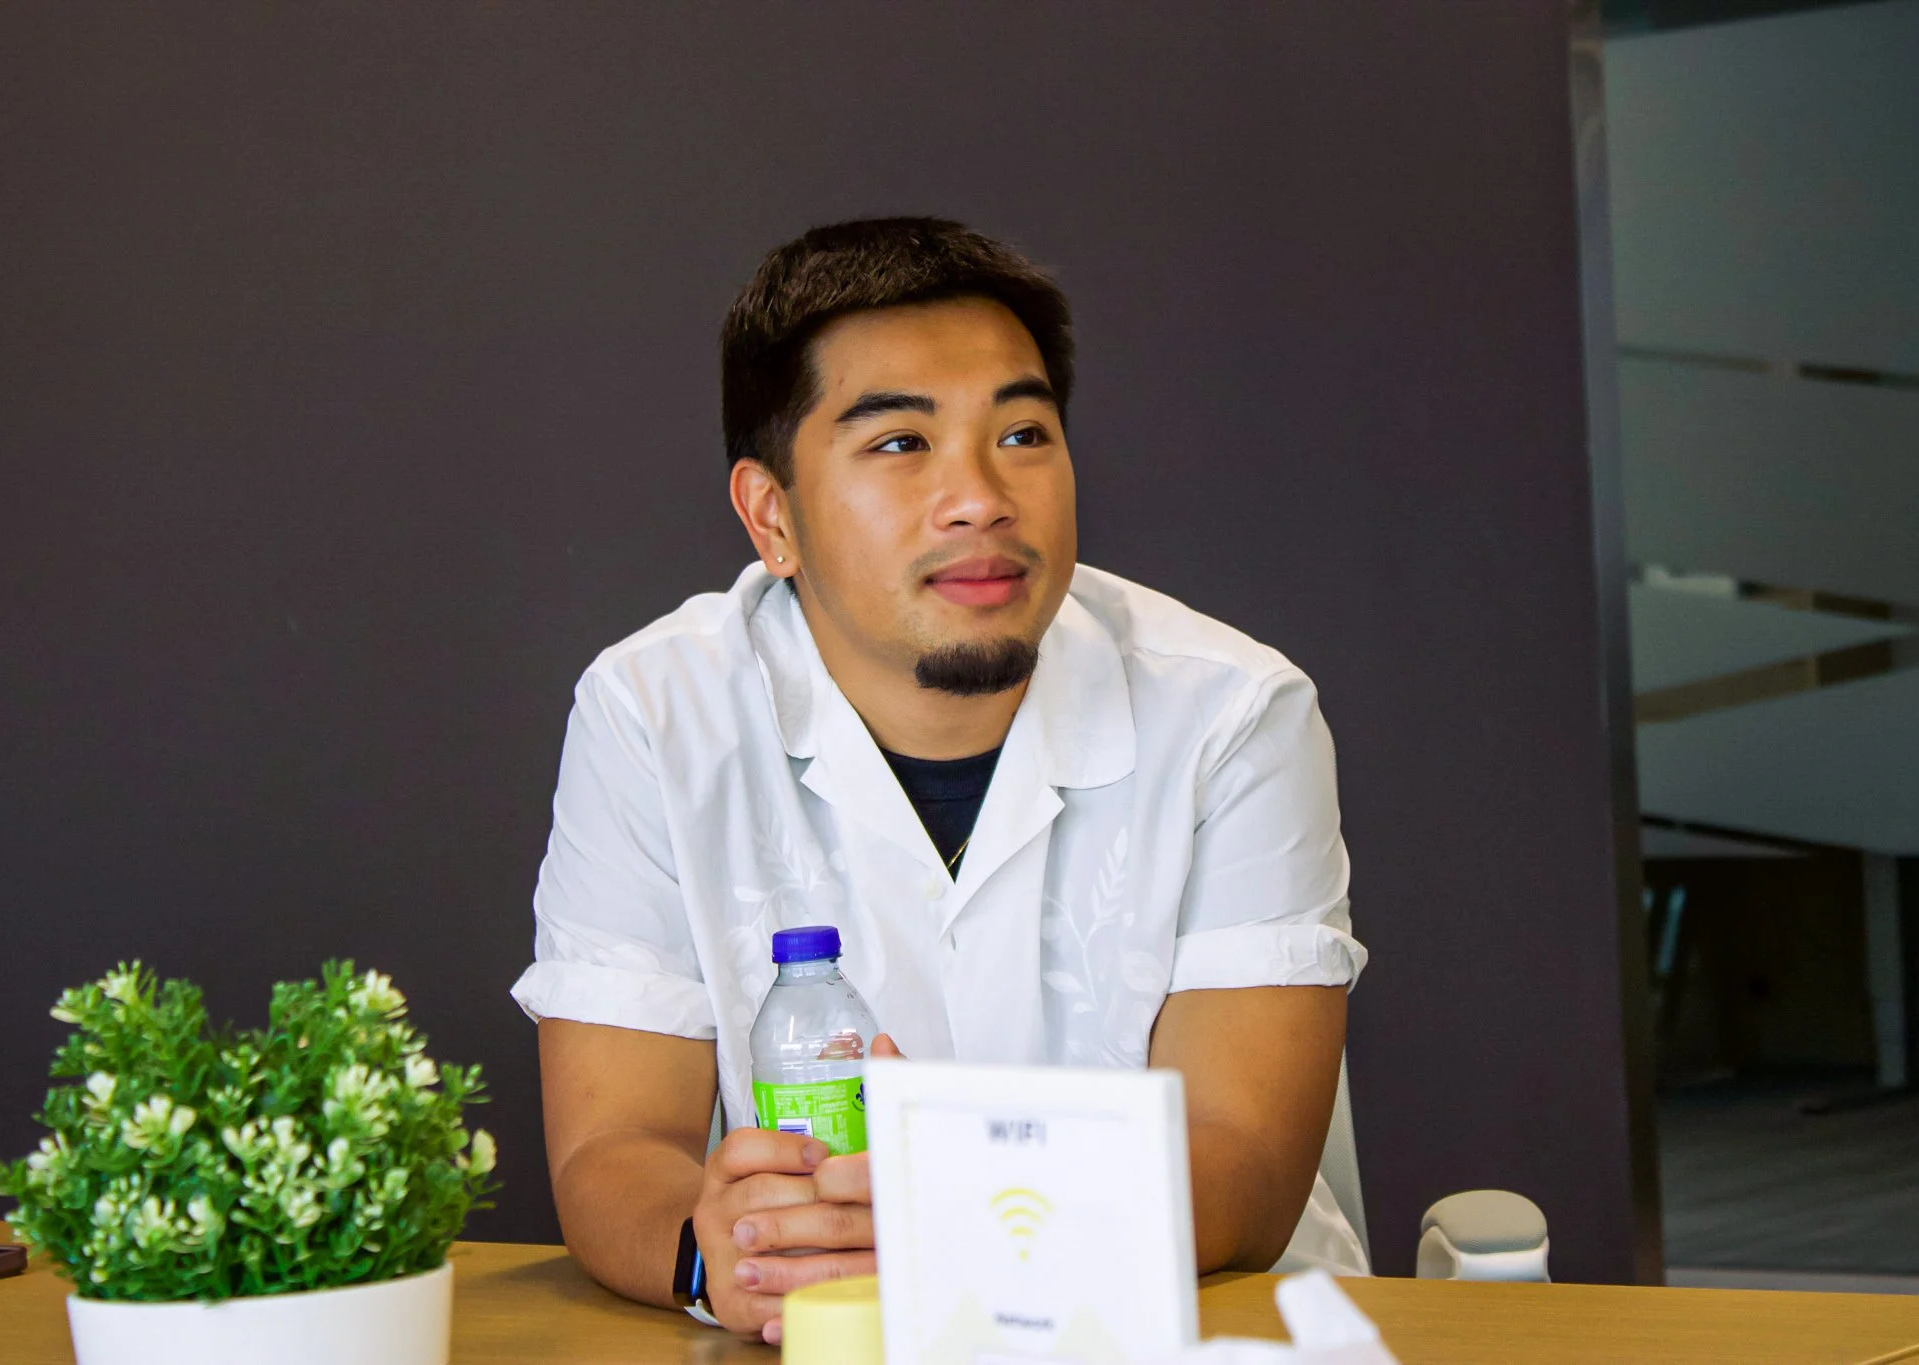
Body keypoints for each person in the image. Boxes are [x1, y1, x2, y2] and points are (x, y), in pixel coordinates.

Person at [511, 217, 1366, 1344]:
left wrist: (942, 1223)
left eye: (1021, 433)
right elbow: (610, 1147)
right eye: (900, 445)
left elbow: (1244, 1163)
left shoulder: (1231, 711)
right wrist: (716, 1249)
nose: (978, 498)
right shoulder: (655, 713)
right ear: (772, 515)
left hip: (1191, 1332)